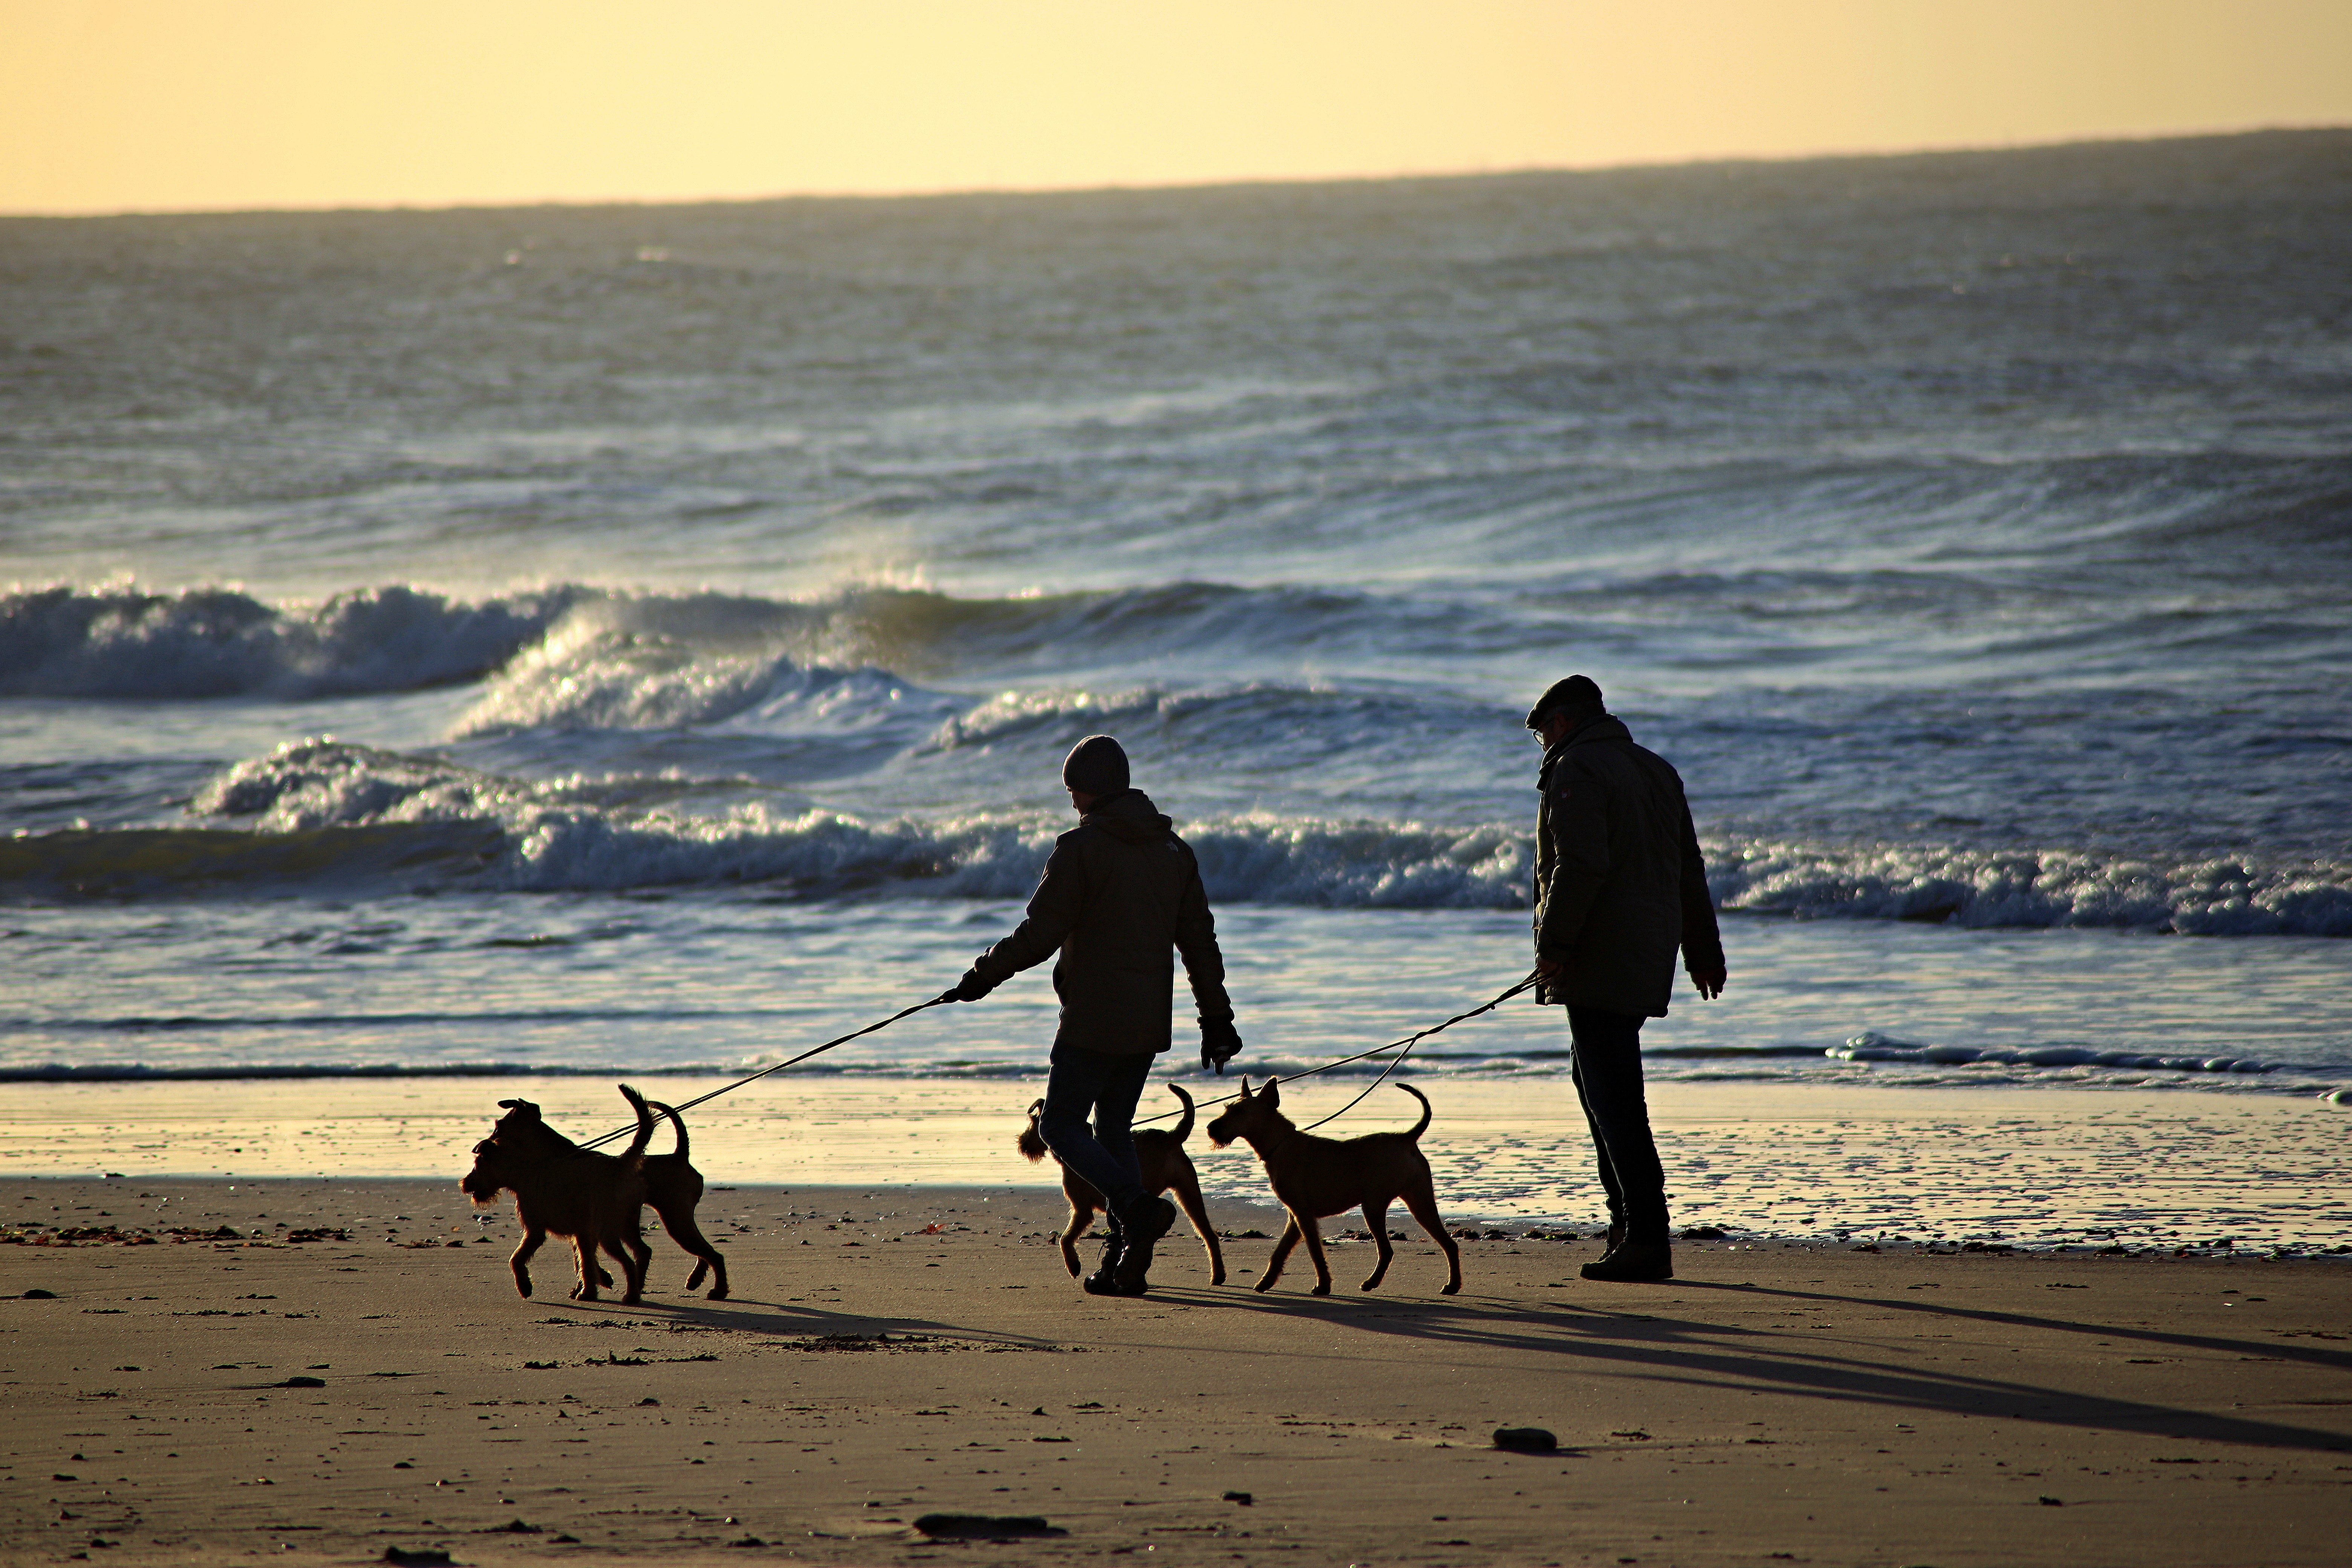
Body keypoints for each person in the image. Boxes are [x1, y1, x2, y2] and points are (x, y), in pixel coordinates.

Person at [939, 733, 1243, 1295]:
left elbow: (1040, 934)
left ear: (1093, 790)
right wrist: (1217, 1021)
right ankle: (1126, 1266)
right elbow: (1200, 943)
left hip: (1092, 1021)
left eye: (1074, 790)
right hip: (1149, 1023)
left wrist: (982, 976)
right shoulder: (1174, 852)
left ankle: (1132, 1207)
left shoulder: (1080, 851)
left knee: (1059, 1125)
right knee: (1114, 1133)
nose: (1073, 801)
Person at [1525, 676, 1726, 1283]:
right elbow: (1688, 867)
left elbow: (1580, 864)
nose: (1540, 744)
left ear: (1561, 722)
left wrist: (1555, 946)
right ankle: (1626, 1227)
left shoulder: (1577, 769)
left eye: (1540, 732)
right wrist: (1702, 949)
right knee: (1594, 1079)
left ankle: (1645, 1236)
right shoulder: (1655, 769)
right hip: (1647, 948)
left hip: (1599, 952)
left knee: (1614, 1097)